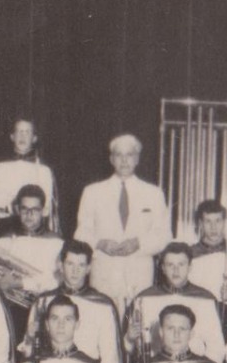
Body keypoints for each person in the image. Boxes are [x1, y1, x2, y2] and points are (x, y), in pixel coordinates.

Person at [73, 133, 172, 315]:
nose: (124, 160)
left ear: (137, 159)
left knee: (137, 326)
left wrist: (138, 244)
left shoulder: (154, 193)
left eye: (130, 155)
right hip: (104, 272)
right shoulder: (93, 192)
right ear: (111, 159)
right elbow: (81, 232)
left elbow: (164, 235)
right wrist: (101, 244)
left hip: (139, 274)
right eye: (119, 155)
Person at [21, 240, 122, 363]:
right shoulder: (43, 301)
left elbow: (110, 358)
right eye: (70, 264)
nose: (75, 271)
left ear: (88, 268)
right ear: (61, 266)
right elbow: (29, 352)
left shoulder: (103, 305)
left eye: (81, 265)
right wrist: (30, 338)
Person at [127, 243, 225, 363]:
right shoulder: (144, 298)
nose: (176, 270)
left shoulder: (205, 299)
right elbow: (132, 347)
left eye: (181, 264)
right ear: (162, 268)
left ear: (190, 267)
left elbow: (216, 347)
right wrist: (129, 339)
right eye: (170, 265)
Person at [0, 185, 63, 311]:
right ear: (17, 210)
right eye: (24, 209)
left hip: (43, 308)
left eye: (35, 209)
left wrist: (20, 283)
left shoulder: (57, 243)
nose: (29, 214)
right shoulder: (4, 240)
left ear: (44, 211)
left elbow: (57, 280)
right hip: (6, 307)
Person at [0, 118, 58, 238]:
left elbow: (46, 203)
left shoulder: (43, 170)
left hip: (34, 227)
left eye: (27, 132)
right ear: (12, 136)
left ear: (34, 138)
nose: (22, 136)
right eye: (19, 131)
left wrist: (11, 199)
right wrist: (12, 206)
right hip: (4, 225)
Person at [186, 200, 227, 330]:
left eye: (218, 221)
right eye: (208, 221)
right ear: (200, 223)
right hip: (199, 318)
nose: (213, 227)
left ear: (224, 222)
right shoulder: (191, 254)